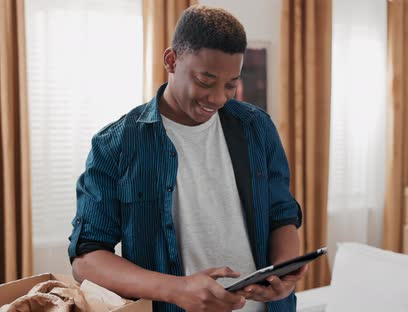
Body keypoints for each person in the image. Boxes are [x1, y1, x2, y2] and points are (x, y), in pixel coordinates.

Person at [68, 5, 305, 312]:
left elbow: (281, 216)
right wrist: (177, 290)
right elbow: (87, 259)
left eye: (231, 84)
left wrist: (283, 273)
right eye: (205, 81)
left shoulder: (257, 127)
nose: (218, 98)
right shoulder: (117, 144)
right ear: (171, 60)